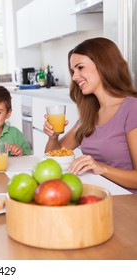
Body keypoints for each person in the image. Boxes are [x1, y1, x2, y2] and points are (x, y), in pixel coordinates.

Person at [43, 37, 137, 193]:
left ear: (103, 65)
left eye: (80, 68)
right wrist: (53, 136)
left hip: (127, 203)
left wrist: (102, 169)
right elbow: (54, 156)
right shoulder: (90, 113)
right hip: (97, 195)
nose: (74, 77)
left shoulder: (132, 108)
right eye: (73, 71)